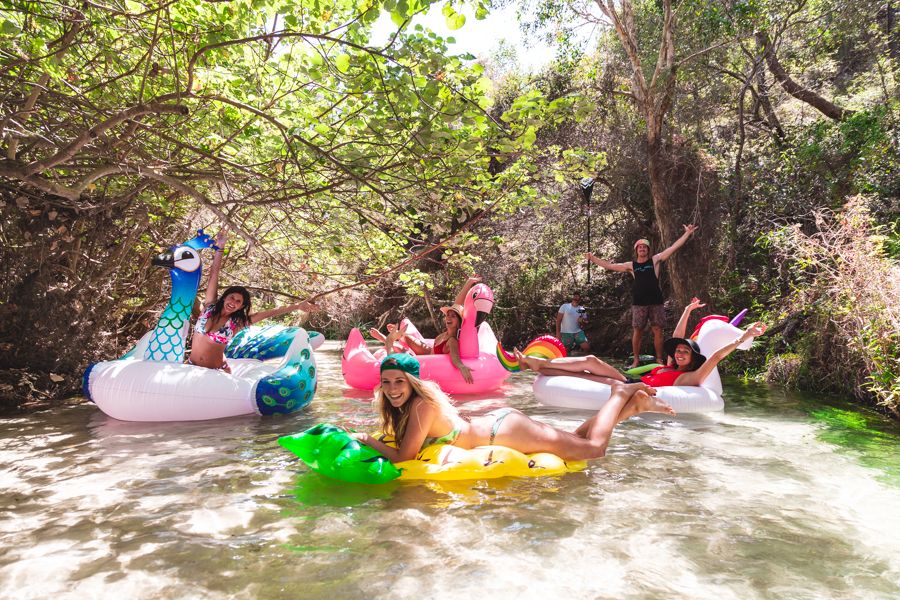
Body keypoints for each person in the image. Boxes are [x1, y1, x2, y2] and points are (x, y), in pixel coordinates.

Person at [347, 353, 675, 463]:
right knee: (574, 440)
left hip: (501, 434)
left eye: (398, 382)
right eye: (386, 382)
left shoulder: (419, 407)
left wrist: (368, 441)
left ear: (412, 383)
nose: (391, 390)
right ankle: (634, 408)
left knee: (592, 449)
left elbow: (404, 457)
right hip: (497, 427)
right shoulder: (412, 405)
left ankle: (619, 392)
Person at [516, 297, 767, 388]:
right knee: (589, 363)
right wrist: (688, 311)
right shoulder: (671, 365)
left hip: (629, 386)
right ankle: (532, 363)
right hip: (628, 380)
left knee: (587, 366)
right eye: (678, 351)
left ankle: (533, 363)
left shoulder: (692, 377)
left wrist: (744, 337)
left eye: (684, 353)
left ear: (692, 359)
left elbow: (716, 357)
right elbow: (678, 335)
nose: (679, 353)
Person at [188, 229, 318, 372]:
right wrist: (221, 246)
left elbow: (270, 313)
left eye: (238, 302)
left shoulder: (237, 323)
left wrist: (298, 306)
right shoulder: (209, 306)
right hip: (191, 365)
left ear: (241, 306)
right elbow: (214, 273)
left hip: (216, 372)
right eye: (232, 297)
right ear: (225, 297)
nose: (233, 302)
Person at [585, 224, 698, 367]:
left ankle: (658, 359)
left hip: (656, 301)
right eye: (640, 247)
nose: (642, 249)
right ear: (636, 250)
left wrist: (687, 233)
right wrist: (593, 258)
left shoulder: (655, 260)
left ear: (648, 250)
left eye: (644, 247)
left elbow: (673, 247)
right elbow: (610, 266)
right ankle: (636, 360)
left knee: (657, 330)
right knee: (637, 331)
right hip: (639, 303)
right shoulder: (631, 265)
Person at [369, 276, 483, 384]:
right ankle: (396, 335)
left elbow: (455, 357)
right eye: (447, 315)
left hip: (428, 358)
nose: (448, 318)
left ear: (459, 322)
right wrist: (468, 282)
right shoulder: (444, 335)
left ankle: (386, 339)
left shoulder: (452, 340)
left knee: (402, 350)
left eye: (453, 316)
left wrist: (461, 366)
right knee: (407, 338)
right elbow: (457, 304)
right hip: (428, 350)